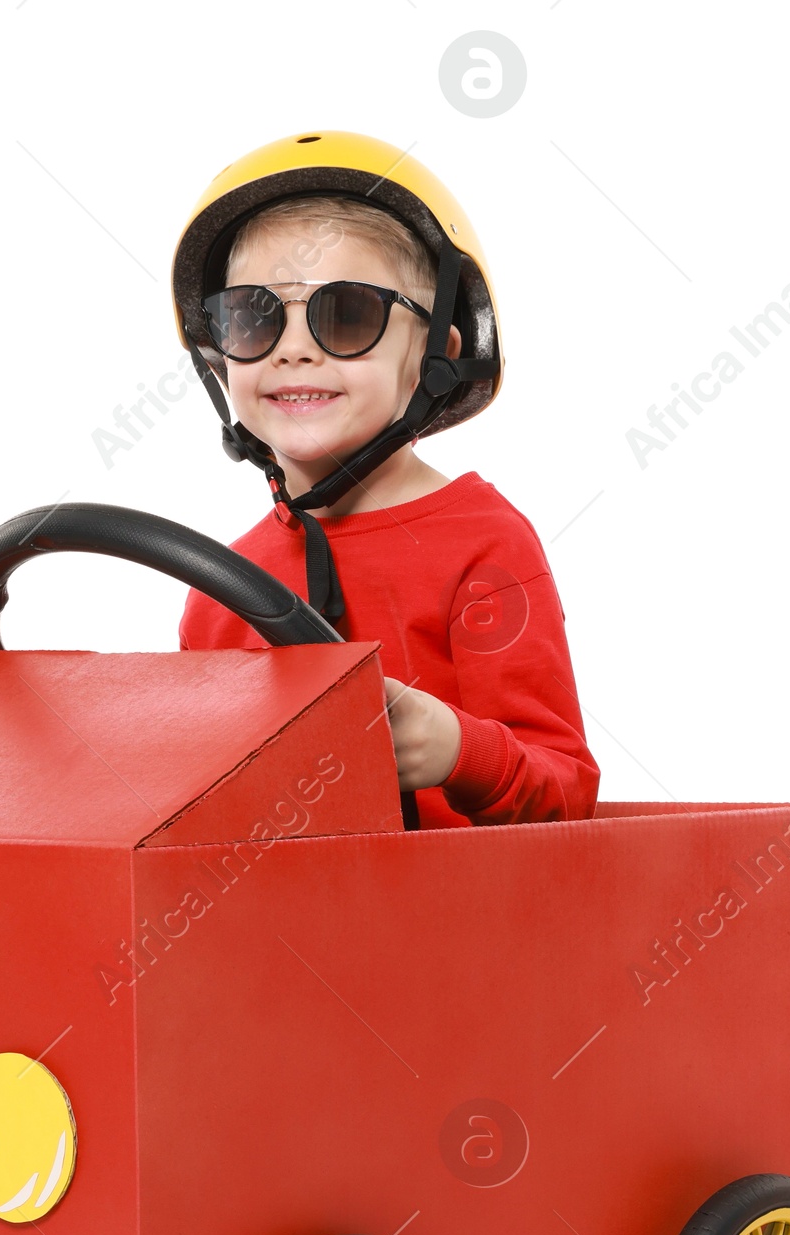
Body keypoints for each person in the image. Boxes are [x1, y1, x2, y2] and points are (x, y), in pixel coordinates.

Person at [171, 132, 599, 827]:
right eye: (254, 318)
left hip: (458, 927)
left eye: (349, 314)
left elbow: (566, 791)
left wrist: (463, 752)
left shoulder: (486, 547)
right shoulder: (218, 589)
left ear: (433, 355)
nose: (296, 350)